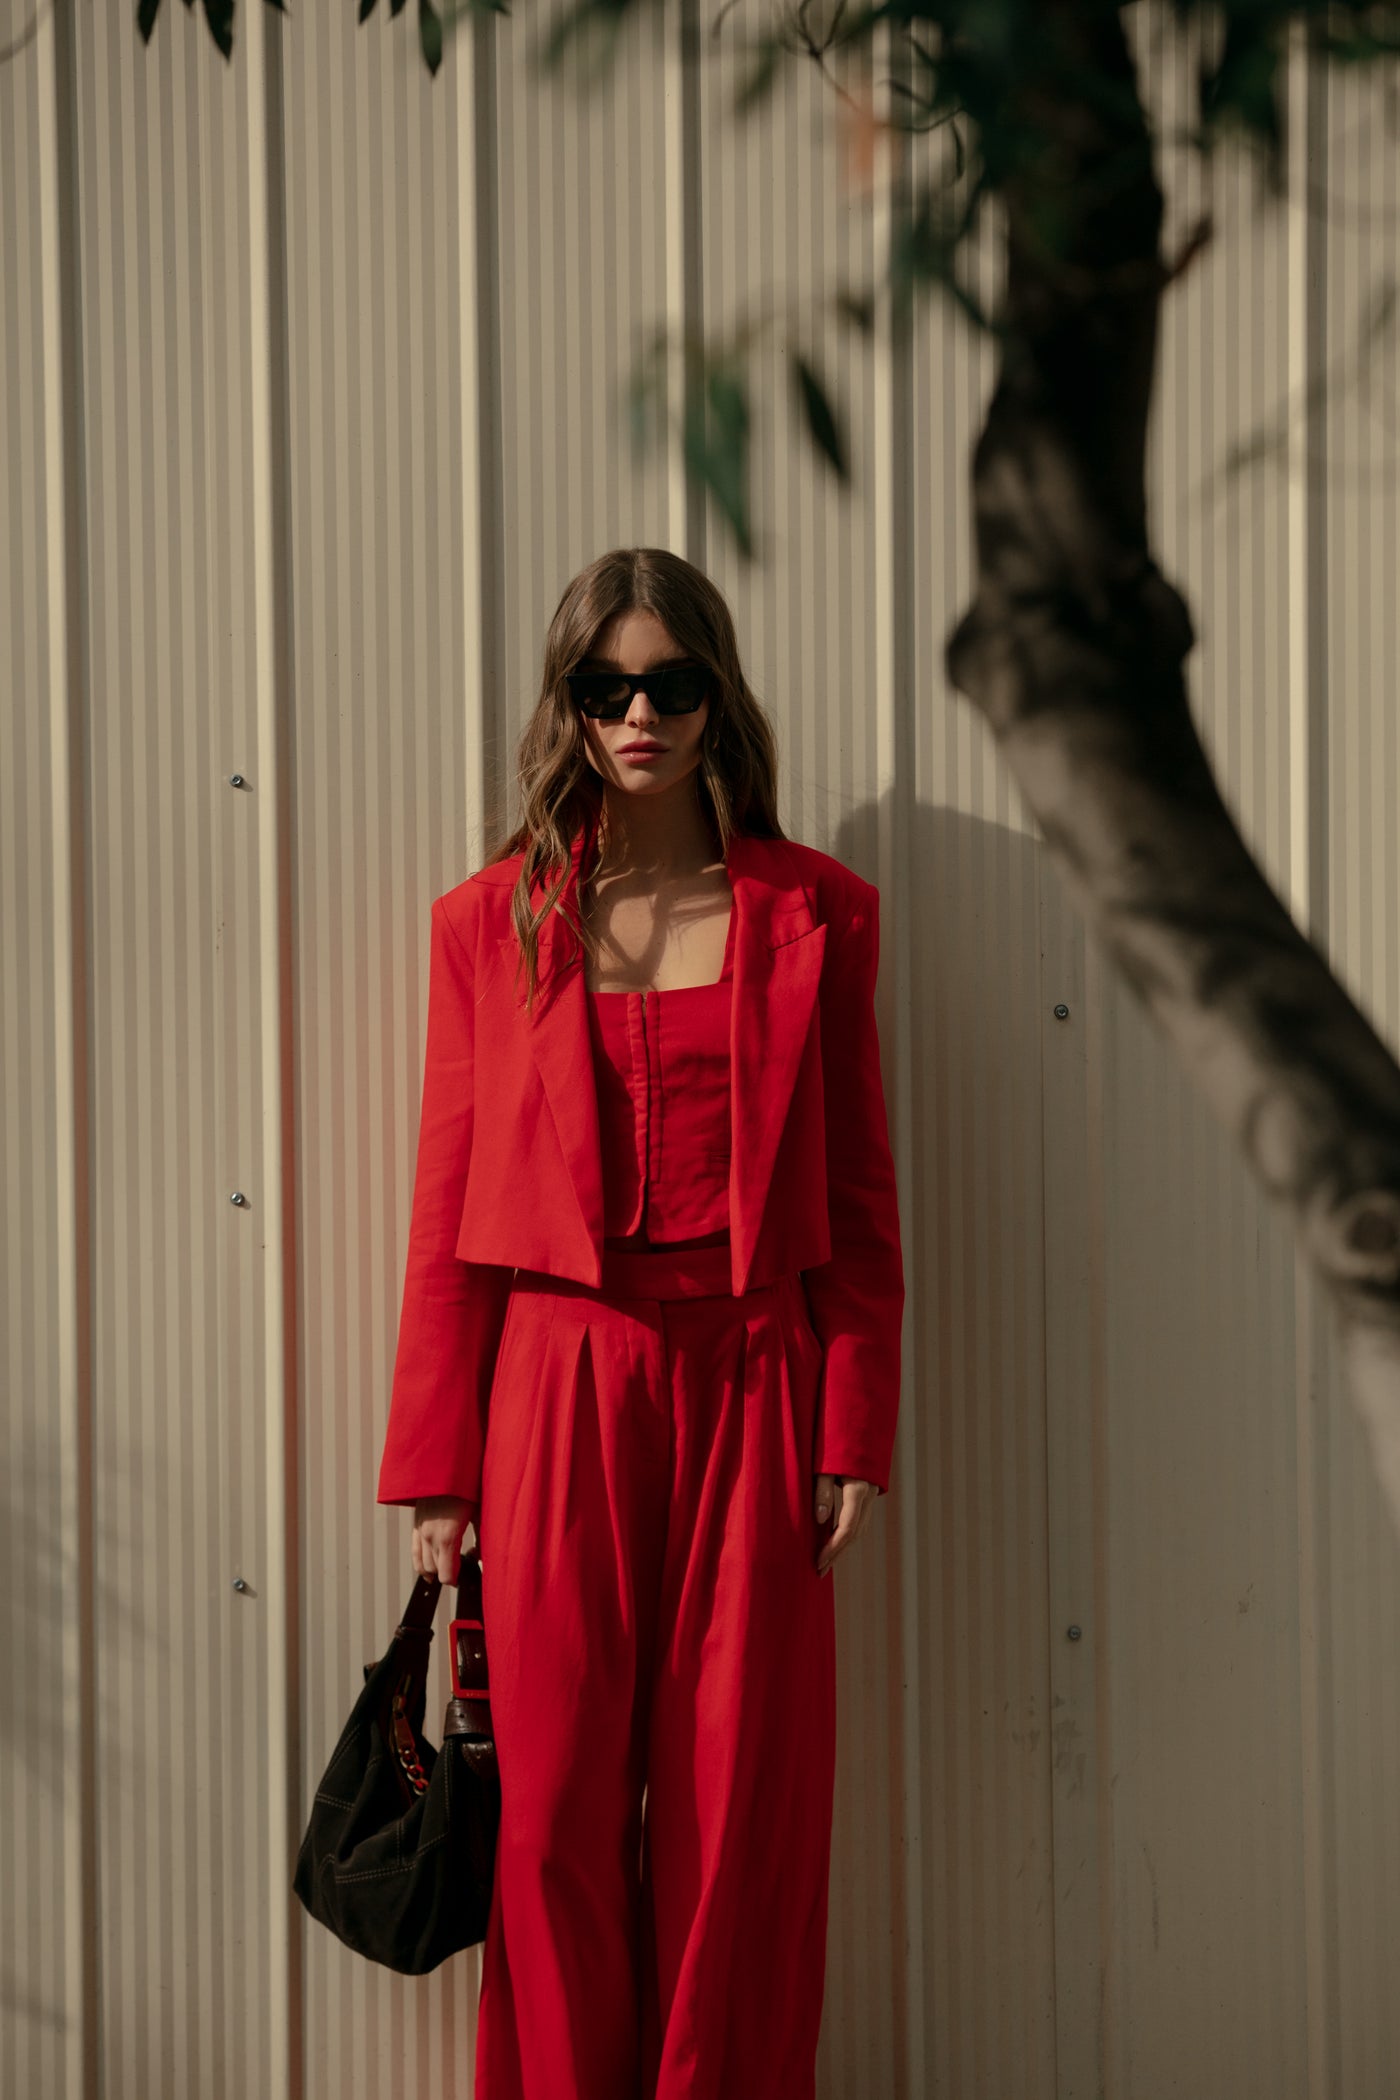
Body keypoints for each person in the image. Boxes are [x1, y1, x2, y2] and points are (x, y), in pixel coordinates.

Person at [376, 546, 905, 2099]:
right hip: (556, 1384)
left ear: (715, 694)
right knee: (545, 1815)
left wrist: (852, 1422)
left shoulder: (822, 917)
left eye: (670, 682)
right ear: (571, 707)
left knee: (741, 1810)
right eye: (605, 688)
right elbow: (445, 1198)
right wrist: (437, 1465)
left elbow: (863, 1206)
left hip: (756, 1377)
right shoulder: (494, 924)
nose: (639, 714)